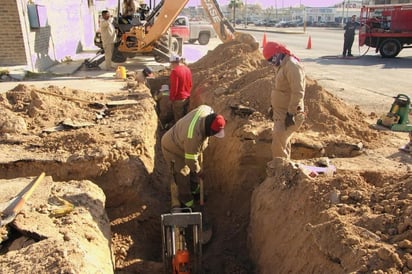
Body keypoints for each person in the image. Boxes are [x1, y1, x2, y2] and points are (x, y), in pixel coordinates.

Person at [161, 105, 225, 209]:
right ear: (208, 128)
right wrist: (199, 171)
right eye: (213, 133)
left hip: (183, 142)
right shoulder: (193, 136)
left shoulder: (207, 110)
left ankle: (195, 192)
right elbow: (190, 160)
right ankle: (187, 204)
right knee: (183, 176)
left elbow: (193, 157)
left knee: (194, 172)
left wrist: (197, 170)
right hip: (172, 149)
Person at [263, 41, 306, 162]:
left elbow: (298, 92)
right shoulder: (281, 65)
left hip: (288, 114)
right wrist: (273, 107)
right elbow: (281, 89)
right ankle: (285, 169)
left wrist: (291, 114)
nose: (271, 62)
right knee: (282, 143)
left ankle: (279, 173)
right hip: (281, 112)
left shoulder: (292, 66)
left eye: (271, 59)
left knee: (278, 145)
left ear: (277, 53)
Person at [169, 54, 192, 124]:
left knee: (179, 120)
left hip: (178, 99)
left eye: (171, 64)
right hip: (187, 97)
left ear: (173, 63)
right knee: (185, 117)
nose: (171, 65)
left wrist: (172, 98)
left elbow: (174, 87)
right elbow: (190, 84)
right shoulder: (187, 69)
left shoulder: (175, 71)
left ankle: (178, 133)